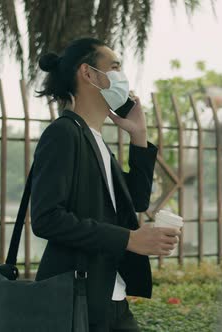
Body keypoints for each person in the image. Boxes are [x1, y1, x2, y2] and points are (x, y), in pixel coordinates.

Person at [30, 37, 181, 332]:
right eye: (115, 67)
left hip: (111, 296)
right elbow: (46, 219)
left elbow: (136, 201)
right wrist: (129, 239)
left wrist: (139, 136)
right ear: (88, 74)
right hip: (75, 300)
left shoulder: (96, 140)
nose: (121, 76)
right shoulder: (63, 133)